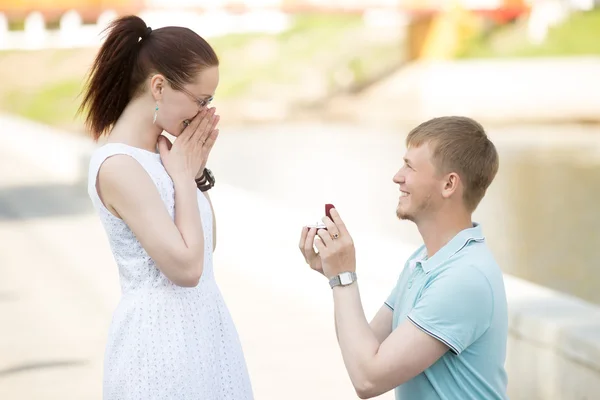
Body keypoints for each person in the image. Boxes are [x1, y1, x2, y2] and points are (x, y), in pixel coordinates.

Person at [80, 15, 253, 399]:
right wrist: (182, 177)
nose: (205, 113)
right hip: (158, 349)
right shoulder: (119, 166)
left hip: (206, 334)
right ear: (159, 86)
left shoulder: (168, 156)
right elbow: (187, 268)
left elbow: (205, 248)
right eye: (201, 100)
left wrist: (194, 173)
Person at [299, 116, 508, 400]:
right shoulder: (424, 260)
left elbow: (368, 380)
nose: (397, 176)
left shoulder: (464, 277)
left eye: (409, 166)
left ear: (449, 185)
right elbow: (364, 348)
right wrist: (334, 273)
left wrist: (343, 278)